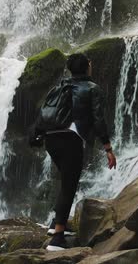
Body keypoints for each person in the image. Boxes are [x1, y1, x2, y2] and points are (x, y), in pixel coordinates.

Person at [32, 53, 116, 251]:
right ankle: (58, 238)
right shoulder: (92, 88)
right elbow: (98, 120)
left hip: (51, 138)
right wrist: (108, 148)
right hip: (70, 139)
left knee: (65, 180)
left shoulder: (60, 86)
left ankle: (55, 224)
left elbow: (45, 111)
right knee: (70, 184)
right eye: (89, 63)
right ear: (87, 66)